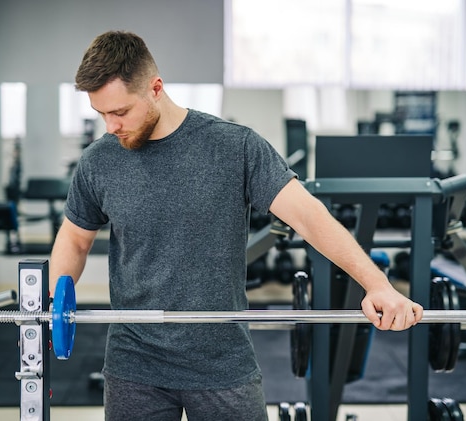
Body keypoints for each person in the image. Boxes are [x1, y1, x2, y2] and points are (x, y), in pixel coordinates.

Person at [49, 30, 423, 421]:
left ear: (155, 88)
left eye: (120, 112)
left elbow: (309, 217)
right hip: (133, 365)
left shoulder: (235, 147)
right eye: (101, 114)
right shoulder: (99, 161)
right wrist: (54, 302)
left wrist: (377, 284)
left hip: (222, 362)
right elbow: (75, 239)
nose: (110, 126)